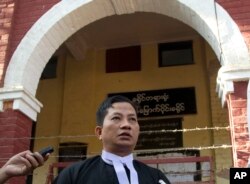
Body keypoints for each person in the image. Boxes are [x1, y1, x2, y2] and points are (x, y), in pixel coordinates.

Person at [53, 95, 171, 184]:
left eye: (132, 119)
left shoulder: (156, 178)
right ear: (99, 132)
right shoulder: (74, 174)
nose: (126, 125)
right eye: (116, 118)